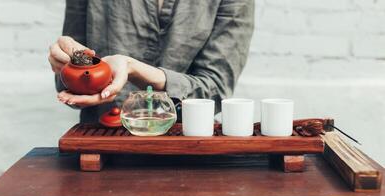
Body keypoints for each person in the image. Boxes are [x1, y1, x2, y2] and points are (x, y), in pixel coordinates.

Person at [49, 0, 255, 123]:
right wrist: (70, 63)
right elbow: (67, 86)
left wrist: (134, 69)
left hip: (190, 146)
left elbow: (216, 90)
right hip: (103, 147)